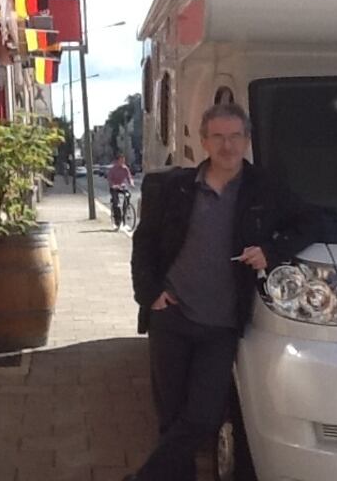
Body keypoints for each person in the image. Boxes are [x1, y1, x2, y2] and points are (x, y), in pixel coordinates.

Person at [125, 103, 319, 481]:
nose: (227, 146)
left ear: (247, 140)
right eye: (218, 137)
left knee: (203, 417)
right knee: (171, 418)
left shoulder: (265, 188)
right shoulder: (177, 188)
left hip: (222, 326)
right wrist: (149, 295)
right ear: (204, 141)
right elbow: (144, 243)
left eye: (235, 137)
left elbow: (310, 222)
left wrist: (271, 251)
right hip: (171, 317)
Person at [107, 153, 135, 229]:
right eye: (121, 160)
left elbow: (129, 177)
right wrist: (113, 185)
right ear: (117, 161)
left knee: (128, 195)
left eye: (123, 160)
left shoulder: (125, 168)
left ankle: (125, 210)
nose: (123, 162)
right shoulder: (113, 169)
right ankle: (117, 221)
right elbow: (109, 179)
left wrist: (131, 183)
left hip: (122, 187)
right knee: (116, 203)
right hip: (114, 188)